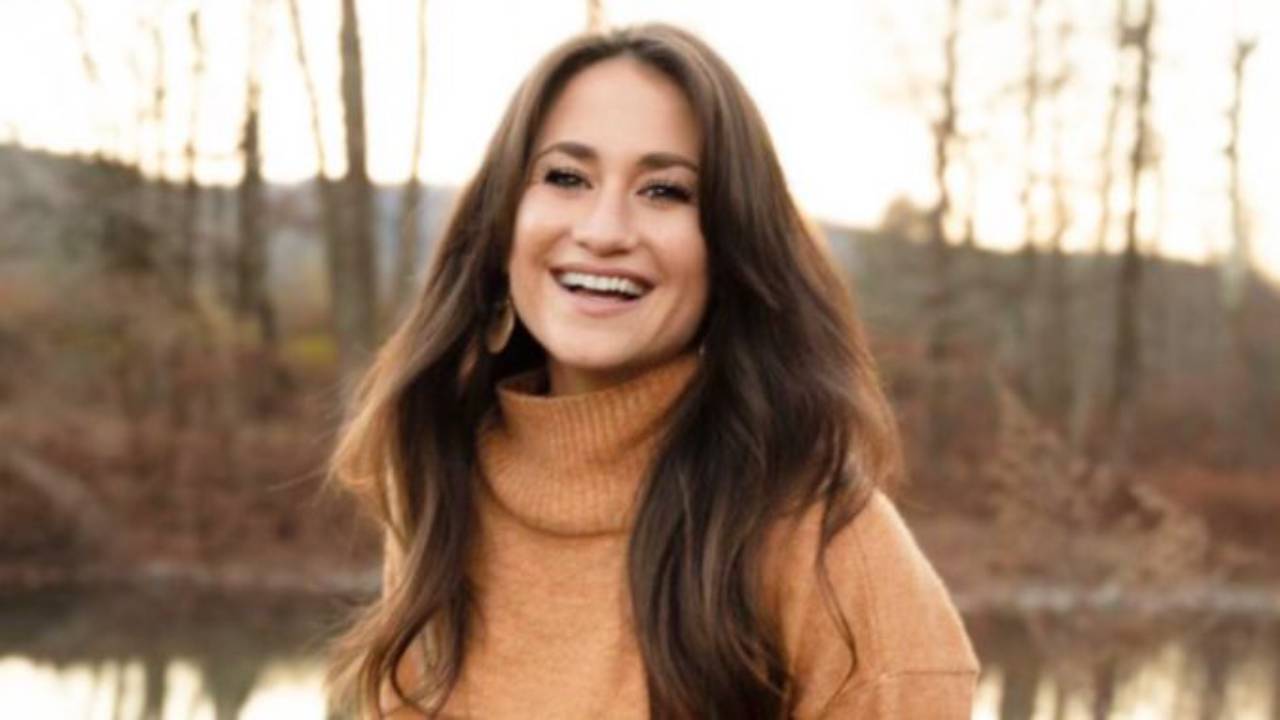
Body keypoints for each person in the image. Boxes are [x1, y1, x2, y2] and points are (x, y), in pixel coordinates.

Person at [326, 22, 978, 719]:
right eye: (566, 177)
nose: (604, 231)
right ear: (503, 221)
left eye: (665, 191)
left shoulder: (828, 549)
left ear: (730, 246)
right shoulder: (440, 485)